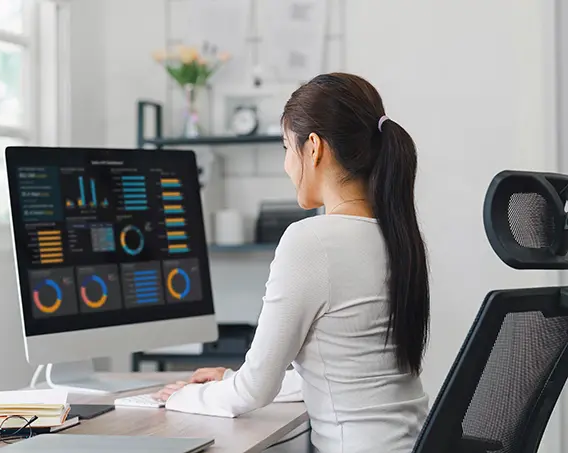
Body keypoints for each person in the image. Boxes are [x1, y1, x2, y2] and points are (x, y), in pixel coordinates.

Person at [154, 73, 431, 453]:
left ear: (313, 148)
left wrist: (177, 397)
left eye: (287, 147)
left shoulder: (311, 241)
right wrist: (229, 380)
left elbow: (254, 391)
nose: (287, 164)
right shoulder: (395, 235)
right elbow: (339, 374)